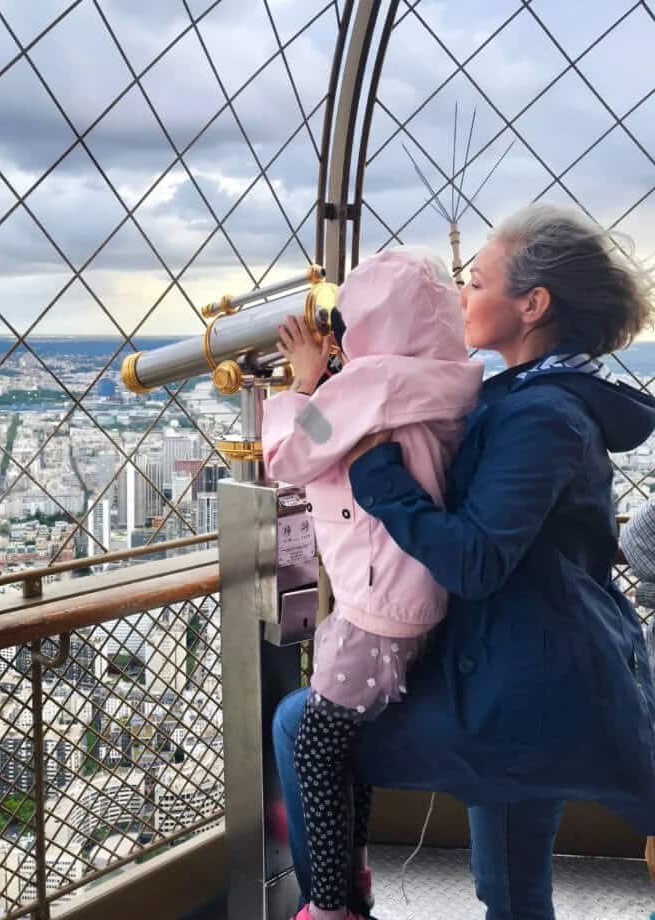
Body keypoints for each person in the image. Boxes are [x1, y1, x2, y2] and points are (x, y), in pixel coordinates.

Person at [271, 202, 655, 920]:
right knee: (510, 888)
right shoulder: (533, 395)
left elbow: (475, 560)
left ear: (533, 305)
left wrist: (374, 470)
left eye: (476, 282)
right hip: (540, 666)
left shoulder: (540, 417)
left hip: (521, 686)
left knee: (301, 727)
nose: (460, 297)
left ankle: (335, 904)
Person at [263, 247, 483, 920]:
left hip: (375, 607)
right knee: (343, 744)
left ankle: (332, 907)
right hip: (414, 597)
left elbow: (293, 454)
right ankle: (350, 880)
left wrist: (305, 386)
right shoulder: (447, 378)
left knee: (318, 747)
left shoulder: (375, 383)